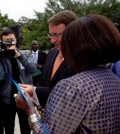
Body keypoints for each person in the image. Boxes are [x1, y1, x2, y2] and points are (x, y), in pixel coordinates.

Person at [16, 14, 120, 133]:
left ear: (80, 45)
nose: (53, 41)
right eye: (51, 35)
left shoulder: (74, 87)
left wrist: (29, 110)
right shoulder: (115, 81)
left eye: (68, 41)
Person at [27, 10, 78, 108]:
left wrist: (34, 90)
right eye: (51, 35)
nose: (52, 40)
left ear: (73, 31)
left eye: (57, 35)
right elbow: (43, 81)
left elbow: (68, 95)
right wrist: (31, 94)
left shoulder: (81, 58)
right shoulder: (52, 52)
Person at [0, 28, 37, 134]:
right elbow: (1, 77)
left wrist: (19, 56)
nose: (9, 43)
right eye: (6, 41)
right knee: (8, 127)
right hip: (7, 98)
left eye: (11, 40)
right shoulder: (2, 57)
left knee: (26, 126)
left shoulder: (25, 53)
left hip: (24, 96)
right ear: (2, 42)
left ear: (16, 39)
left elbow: (33, 69)